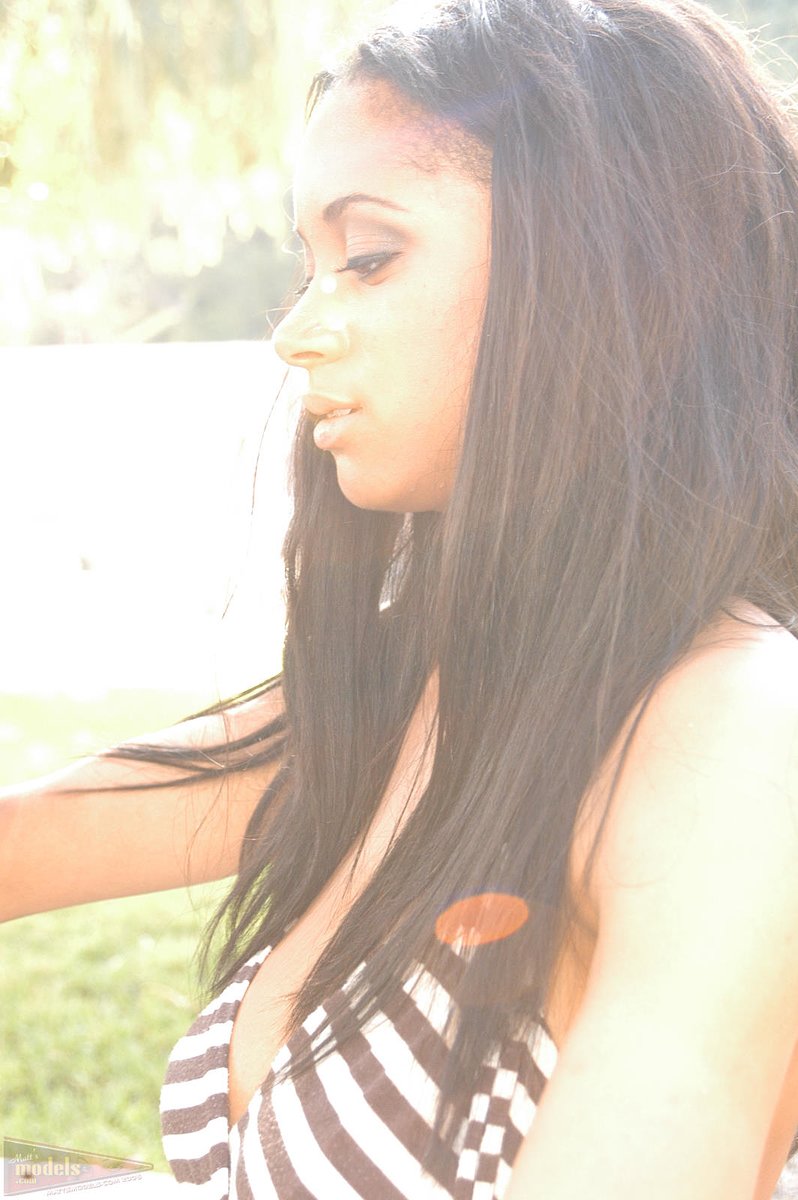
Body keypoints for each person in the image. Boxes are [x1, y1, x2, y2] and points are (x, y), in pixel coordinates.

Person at [3, 0, 798, 1195]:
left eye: (368, 258)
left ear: (614, 273)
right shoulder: (435, 685)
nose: (296, 334)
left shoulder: (730, 743)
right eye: (307, 267)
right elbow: (26, 843)